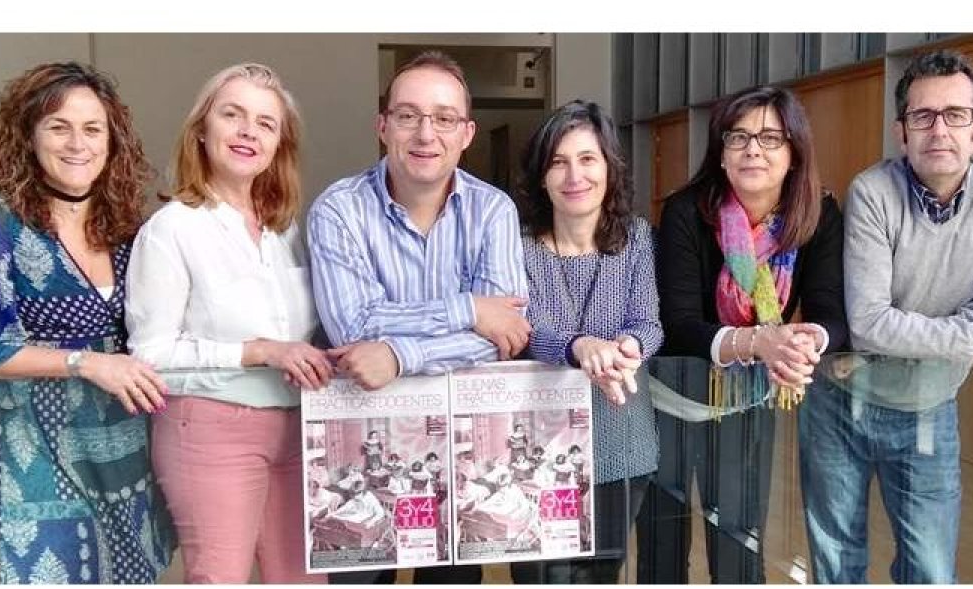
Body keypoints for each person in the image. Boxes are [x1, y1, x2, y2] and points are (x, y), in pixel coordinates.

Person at [800, 50, 973, 583]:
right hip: (840, 398)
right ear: (901, 132)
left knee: (930, 571)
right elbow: (869, 324)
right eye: (923, 116)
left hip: (930, 403)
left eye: (956, 114)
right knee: (837, 566)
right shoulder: (872, 191)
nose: (939, 130)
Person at [0, 61, 175, 583]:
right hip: (37, 446)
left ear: (112, 140)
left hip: (127, 444)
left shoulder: (127, 227)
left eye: (92, 129)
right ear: (29, 135)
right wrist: (86, 363)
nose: (77, 144)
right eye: (58, 127)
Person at [308, 49, 528, 585]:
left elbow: (504, 334)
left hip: (461, 452)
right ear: (382, 126)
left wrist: (399, 354)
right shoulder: (338, 210)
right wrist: (467, 309)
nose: (426, 134)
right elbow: (353, 328)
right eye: (408, 115)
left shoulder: (493, 210)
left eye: (444, 118)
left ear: (467, 133)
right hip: (358, 438)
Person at [125, 63, 331, 584]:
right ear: (201, 129)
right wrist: (257, 351)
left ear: (279, 144)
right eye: (232, 115)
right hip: (210, 429)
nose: (248, 132)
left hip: (296, 429)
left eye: (265, 123)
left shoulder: (285, 229)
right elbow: (149, 357)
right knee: (221, 577)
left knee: (305, 580)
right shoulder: (172, 229)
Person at [653, 85, 847, 583]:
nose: (752, 150)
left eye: (769, 138)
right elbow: (677, 324)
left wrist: (803, 343)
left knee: (739, 543)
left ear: (794, 152)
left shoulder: (818, 214)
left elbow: (831, 312)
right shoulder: (686, 211)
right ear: (721, 152)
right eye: (737, 137)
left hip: (748, 400)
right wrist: (758, 342)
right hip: (670, 396)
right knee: (662, 547)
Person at [508, 98, 665, 584]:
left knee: (601, 575)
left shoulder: (636, 238)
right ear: (542, 176)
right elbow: (524, 332)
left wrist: (628, 348)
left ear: (609, 168)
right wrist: (579, 347)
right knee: (541, 578)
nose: (574, 175)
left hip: (622, 441)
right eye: (558, 162)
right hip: (538, 451)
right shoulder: (516, 245)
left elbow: (649, 322)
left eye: (587, 159)